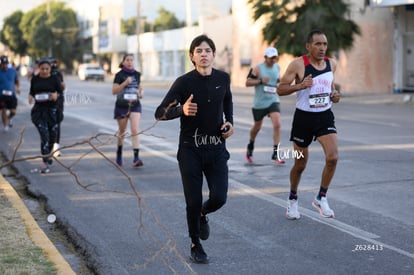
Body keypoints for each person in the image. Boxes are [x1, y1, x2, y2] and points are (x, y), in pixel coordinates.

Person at [154, 34, 234, 264]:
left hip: (216, 149)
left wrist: (229, 122)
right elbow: (159, 113)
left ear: (213, 54)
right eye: (199, 50)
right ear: (192, 56)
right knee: (193, 200)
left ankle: (203, 214)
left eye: (207, 50)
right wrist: (181, 110)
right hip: (190, 150)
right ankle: (195, 243)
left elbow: (226, 100)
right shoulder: (183, 83)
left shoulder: (223, 78)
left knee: (219, 197)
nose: (204, 54)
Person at [277, 29, 341, 220]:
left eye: (324, 44)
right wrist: (299, 86)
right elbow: (280, 89)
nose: (322, 48)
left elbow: (331, 88)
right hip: (303, 119)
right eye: (317, 44)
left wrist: (335, 96)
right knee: (300, 164)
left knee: (333, 157)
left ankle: (321, 197)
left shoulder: (332, 63)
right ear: (308, 46)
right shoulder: (298, 64)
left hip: (324, 116)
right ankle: (292, 199)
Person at [245, 47, 285, 164]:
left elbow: (277, 81)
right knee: (257, 127)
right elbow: (247, 82)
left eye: (275, 58)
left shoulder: (277, 67)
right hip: (260, 103)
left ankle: (275, 153)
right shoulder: (258, 68)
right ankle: (251, 144)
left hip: (273, 100)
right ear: (265, 58)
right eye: (271, 58)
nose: (273, 60)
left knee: (277, 124)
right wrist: (261, 81)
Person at [28, 58, 63, 173]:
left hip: (52, 111)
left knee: (53, 135)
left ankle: (48, 155)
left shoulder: (54, 79)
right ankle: (44, 162)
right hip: (39, 111)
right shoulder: (35, 79)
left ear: (50, 69)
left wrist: (55, 96)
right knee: (44, 135)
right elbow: (32, 92)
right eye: (42, 69)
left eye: (47, 69)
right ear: (39, 68)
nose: (44, 71)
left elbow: (60, 93)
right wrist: (30, 97)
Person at [112, 54, 144, 167]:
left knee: (135, 129)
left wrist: (141, 92)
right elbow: (114, 91)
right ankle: (119, 154)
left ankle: (136, 158)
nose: (130, 62)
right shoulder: (119, 75)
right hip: (121, 106)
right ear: (123, 62)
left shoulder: (137, 74)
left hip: (135, 105)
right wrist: (125, 83)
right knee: (122, 131)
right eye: (127, 60)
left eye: (131, 60)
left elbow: (139, 88)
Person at [0, 55, 20, 132]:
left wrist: (18, 88)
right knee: (3, 110)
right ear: (1, 64)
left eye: (6, 63)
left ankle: (10, 118)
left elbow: (17, 80)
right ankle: (5, 125)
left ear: (7, 63)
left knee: (13, 112)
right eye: (3, 63)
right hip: (1, 95)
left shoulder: (13, 71)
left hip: (12, 95)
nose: (4, 65)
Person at [50, 58, 65, 157]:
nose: (54, 65)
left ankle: (56, 146)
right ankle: (49, 145)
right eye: (52, 63)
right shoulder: (42, 75)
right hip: (46, 104)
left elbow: (63, 86)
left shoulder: (58, 74)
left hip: (58, 102)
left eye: (55, 63)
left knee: (57, 123)